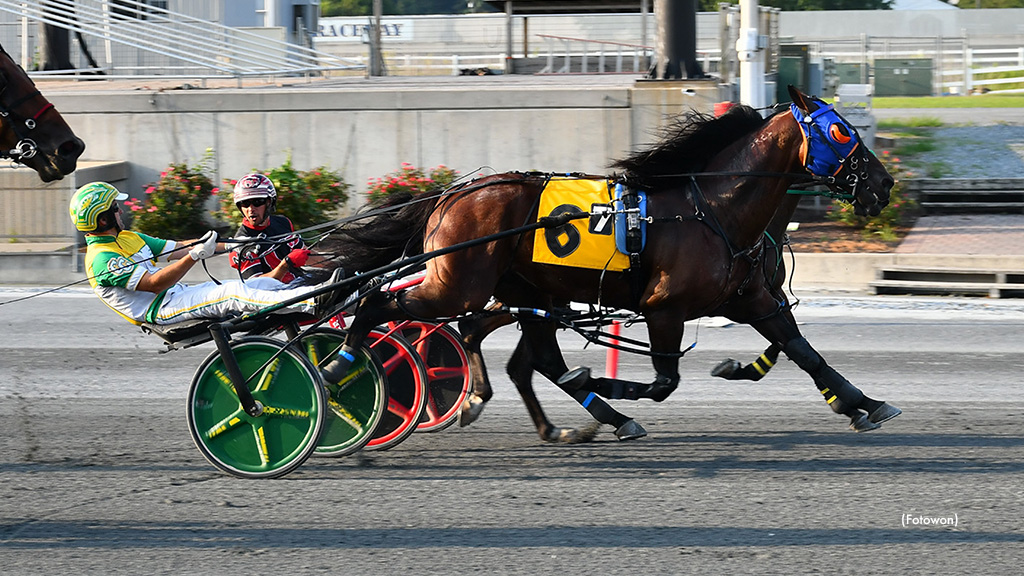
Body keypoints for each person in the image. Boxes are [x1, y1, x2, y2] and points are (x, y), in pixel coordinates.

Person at [70, 181, 344, 326]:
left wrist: (230, 244)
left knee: (263, 283)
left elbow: (178, 248)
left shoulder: (128, 237)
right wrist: (195, 256)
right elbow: (155, 285)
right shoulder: (101, 259)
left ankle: (327, 289)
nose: (121, 211)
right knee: (231, 294)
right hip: (161, 309)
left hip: (176, 296)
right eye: (115, 209)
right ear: (103, 219)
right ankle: (311, 302)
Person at [228, 172, 321, 284]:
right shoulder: (241, 243)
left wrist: (340, 264)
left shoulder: (283, 222)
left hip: (301, 283)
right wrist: (286, 264)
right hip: (275, 297)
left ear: (269, 202)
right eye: (245, 203)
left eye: (257, 202)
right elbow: (256, 286)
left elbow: (308, 256)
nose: (251, 209)